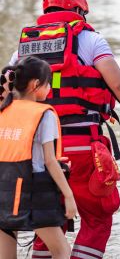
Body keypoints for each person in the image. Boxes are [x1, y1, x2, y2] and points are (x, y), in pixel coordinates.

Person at [10, 0, 120, 259]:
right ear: (79, 11)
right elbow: (118, 84)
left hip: (35, 150)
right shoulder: (90, 40)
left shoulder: (23, 48)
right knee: (98, 217)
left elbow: (8, 95)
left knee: (47, 222)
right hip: (81, 145)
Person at [0, 56, 77, 259]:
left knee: (6, 255)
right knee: (61, 251)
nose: (50, 88)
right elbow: (50, 161)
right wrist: (68, 196)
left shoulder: (2, 109)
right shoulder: (43, 113)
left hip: (3, 190)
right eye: (48, 83)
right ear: (36, 85)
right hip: (33, 190)